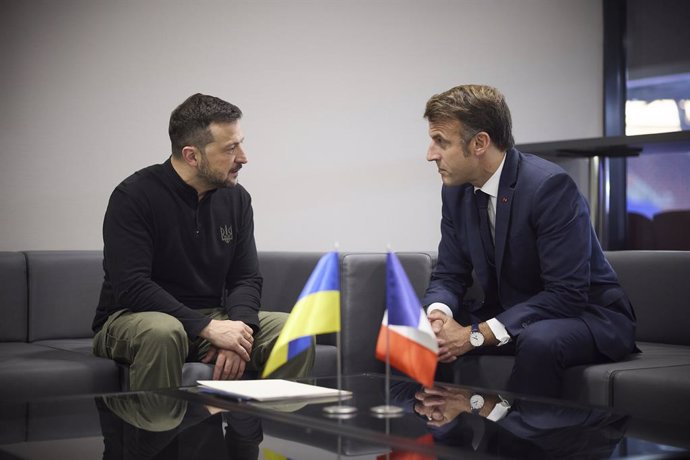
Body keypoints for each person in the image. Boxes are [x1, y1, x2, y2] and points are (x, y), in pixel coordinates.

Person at [421, 84, 637, 397]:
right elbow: (449, 274)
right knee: (417, 334)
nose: (430, 155)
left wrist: (475, 335)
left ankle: (517, 441)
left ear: (480, 142)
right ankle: (438, 435)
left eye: (441, 142)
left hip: (586, 315)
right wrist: (437, 316)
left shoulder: (548, 187)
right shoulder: (455, 190)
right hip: (515, 312)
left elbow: (567, 294)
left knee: (539, 339)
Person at [92, 93, 314, 390]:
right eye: (231, 148)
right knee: (163, 331)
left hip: (212, 315)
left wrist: (238, 334)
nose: (243, 157)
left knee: (294, 332)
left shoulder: (237, 198)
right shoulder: (134, 196)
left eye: (241, 144)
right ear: (192, 156)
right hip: (135, 318)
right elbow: (132, 286)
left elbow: (245, 277)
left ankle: (251, 435)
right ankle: (153, 434)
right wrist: (209, 329)